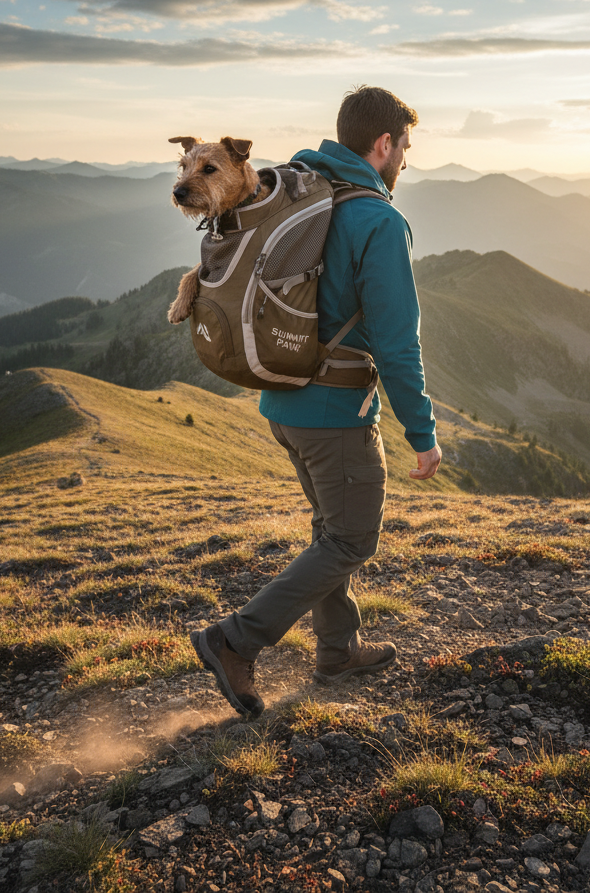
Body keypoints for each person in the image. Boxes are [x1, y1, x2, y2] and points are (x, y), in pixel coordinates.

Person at [190, 85, 442, 718]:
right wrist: (422, 431)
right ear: (384, 145)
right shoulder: (377, 219)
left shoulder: (298, 187)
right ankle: (236, 639)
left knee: (332, 528)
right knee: (352, 538)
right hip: (336, 414)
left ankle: (337, 649)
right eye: (404, 148)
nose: (405, 162)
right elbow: (395, 341)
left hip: (283, 406)